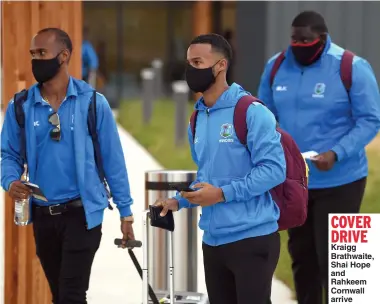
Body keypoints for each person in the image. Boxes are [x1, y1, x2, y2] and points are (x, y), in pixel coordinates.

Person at [0, 28, 135, 304]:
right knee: (60, 295)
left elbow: (113, 161)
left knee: (71, 295)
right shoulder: (20, 105)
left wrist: (126, 212)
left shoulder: (93, 103)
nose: (35, 60)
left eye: (42, 53)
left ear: (64, 56)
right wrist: (10, 181)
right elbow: (8, 154)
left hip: (82, 214)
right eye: (33, 54)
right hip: (43, 215)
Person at [257, 11, 380, 304]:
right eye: (294, 39)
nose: (299, 44)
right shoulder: (275, 67)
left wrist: (337, 152)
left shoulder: (352, 67)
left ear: (322, 39)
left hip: (342, 178)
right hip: (294, 180)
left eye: (306, 39)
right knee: (301, 257)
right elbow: (264, 114)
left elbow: (370, 120)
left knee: (341, 263)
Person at [155, 33, 286, 304]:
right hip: (213, 242)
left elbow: (274, 170)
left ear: (220, 66)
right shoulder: (197, 117)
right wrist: (178, 201)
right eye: (189, 62)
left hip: (252, 239)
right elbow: (207, 178)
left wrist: (222, 194)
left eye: (198, 62)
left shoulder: (251, 111)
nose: (190, 69)